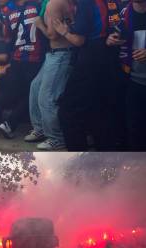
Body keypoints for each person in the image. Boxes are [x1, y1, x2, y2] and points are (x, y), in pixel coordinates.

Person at [55, 0, 125, 151]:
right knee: (100, 110)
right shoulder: (111, 2)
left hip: (91, 59)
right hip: (109, 57)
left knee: (69, 110)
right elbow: (118, 27)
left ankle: (79, 159)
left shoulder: (86, 3)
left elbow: (79, 40)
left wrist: (64, 31)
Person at [0, 0, 45, 139]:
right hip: (35, 58)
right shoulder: (39, 5)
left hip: (17, 58)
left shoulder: (9, 11)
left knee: (10, 93)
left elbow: (8, 38)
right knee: (31, 95)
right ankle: (9, 124)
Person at [24, 0, 77, 150]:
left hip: (61, 55)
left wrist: (39, 23)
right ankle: (40, 129)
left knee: (47, 97)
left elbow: (52, 35)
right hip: (54, 55)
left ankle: (56, 138)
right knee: (35, 87)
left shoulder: (54, 4)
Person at [118, 0, 146, 150]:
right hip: (132, 80)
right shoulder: (123, 12)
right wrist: (110, 41)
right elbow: (115, 34)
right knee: (135, 131)